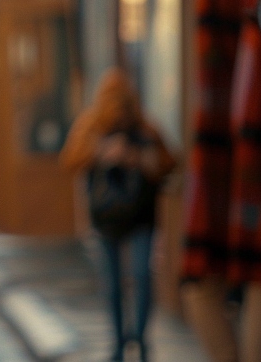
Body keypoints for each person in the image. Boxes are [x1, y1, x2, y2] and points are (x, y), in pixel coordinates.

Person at [61, 68, 175, 362]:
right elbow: (70, 159)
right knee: (112, 283)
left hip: (140, 214)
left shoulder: (145, 127)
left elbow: (169, 162)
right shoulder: (91, 126)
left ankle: (139, 337)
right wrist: (102, 151)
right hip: (106, 215)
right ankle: (118, 342)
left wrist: (138, 158)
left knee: (141, 275)